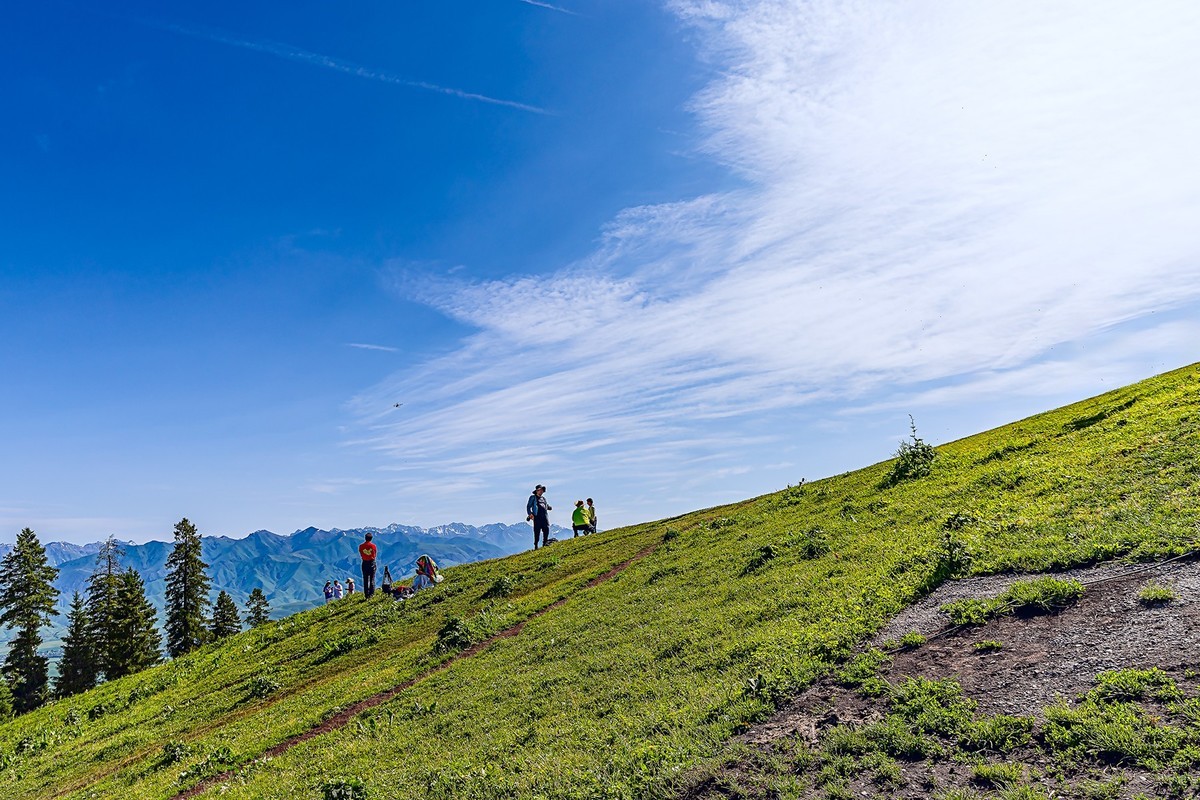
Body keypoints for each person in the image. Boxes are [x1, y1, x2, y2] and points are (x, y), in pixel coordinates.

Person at [526, 484, 552, 549]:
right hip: (537, 516)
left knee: (546, 529)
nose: (541, 491)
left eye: (542, 490)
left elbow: (545, 505)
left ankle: (545, 543)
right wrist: (530, 514)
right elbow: (528, 506)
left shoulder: (544, 499)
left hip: (544, 516)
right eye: (539, 490)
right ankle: (536, 545)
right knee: (537, 531)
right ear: (536, 491)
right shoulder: (533, 497)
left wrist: (549, 507)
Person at [359, 532, 378, 598]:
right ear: (371, 539)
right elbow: (375, 554)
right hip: (371, 562)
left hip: (364, 563)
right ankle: (371, 594)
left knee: (365, 579)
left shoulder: (361, 546)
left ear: (365, 538)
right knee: (372, 579)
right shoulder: (373, 546)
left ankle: (366, 595)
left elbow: (361, 554)